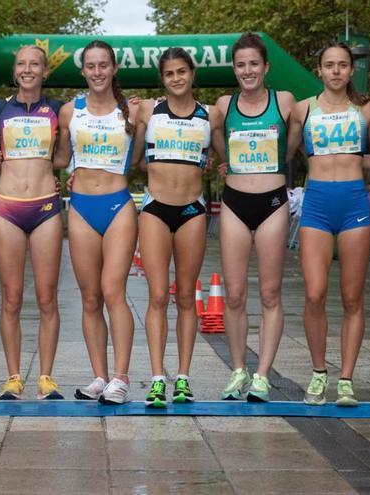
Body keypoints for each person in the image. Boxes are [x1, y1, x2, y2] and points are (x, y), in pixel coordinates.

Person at [286, 41, 370, 406]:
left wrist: (354, 159)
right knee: (314, 294)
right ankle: (318, 373)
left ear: (351, 70)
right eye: (329, 65)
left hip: (354, 204)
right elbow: (287, 152)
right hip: (316, 204)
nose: (336, 71)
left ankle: (345, 379)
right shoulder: (302, 110)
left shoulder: (366, 109)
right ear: (319, 70)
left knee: (351, 297)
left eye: (343, 65)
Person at [130, 47, 224, 407]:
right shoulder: (147, 111)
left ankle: (183, 378)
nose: (176, 79)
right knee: (156, 296)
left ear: (192, 73)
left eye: (181, 71)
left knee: (186, 297)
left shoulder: (211, 115)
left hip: (192, 210)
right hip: (155, 207)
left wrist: (223, 166)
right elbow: (134, 157)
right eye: (169, 74)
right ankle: (157, 378)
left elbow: (224, 156)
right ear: (163, 78)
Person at [54, 40, 139, 404]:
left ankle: (121, 377)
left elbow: (141, 159)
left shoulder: (134, 112)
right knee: (89, 298)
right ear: (83, 71)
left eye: (104, 65)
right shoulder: (69, 112)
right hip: (82, 207)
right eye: (91, 66)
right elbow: (59, 158)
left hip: (119, 205)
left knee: (112, 291)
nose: (98, 72)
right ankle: (99, 376)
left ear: (114, 68)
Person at [214, 33, 296, 402]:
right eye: (240, 64)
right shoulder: (222, 105)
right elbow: (217, 140)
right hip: (234, 201)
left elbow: (291, 148)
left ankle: (262, 374)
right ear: (234, 68)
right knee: (233, 294)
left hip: (272, 202)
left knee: (269, 292)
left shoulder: (285, 102)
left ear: (266, 67)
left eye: (253, 64)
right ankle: (237, 370)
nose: (247, 71)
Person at [0, 45, 64, 400]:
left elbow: (65, 154)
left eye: (35, 64)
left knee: (47, 297)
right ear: (14, 70)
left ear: (45, 71)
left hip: (46, 207)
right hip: (8, 208)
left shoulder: (60, 109)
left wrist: (63, 173)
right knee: (11, 298)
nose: (27, 69)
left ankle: (46, 377)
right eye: (21, 63)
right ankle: (13, 376)